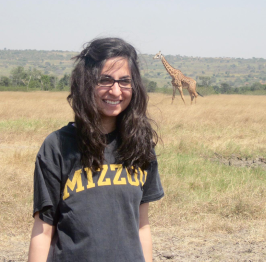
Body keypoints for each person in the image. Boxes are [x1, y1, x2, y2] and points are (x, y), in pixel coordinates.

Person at [28, 37, 164, 262]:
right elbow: (43, 228)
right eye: (105, 80)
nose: (116, 91)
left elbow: (142, 226)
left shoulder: (141, 145)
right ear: (86, 83)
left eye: (124, 81)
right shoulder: (58, 146)